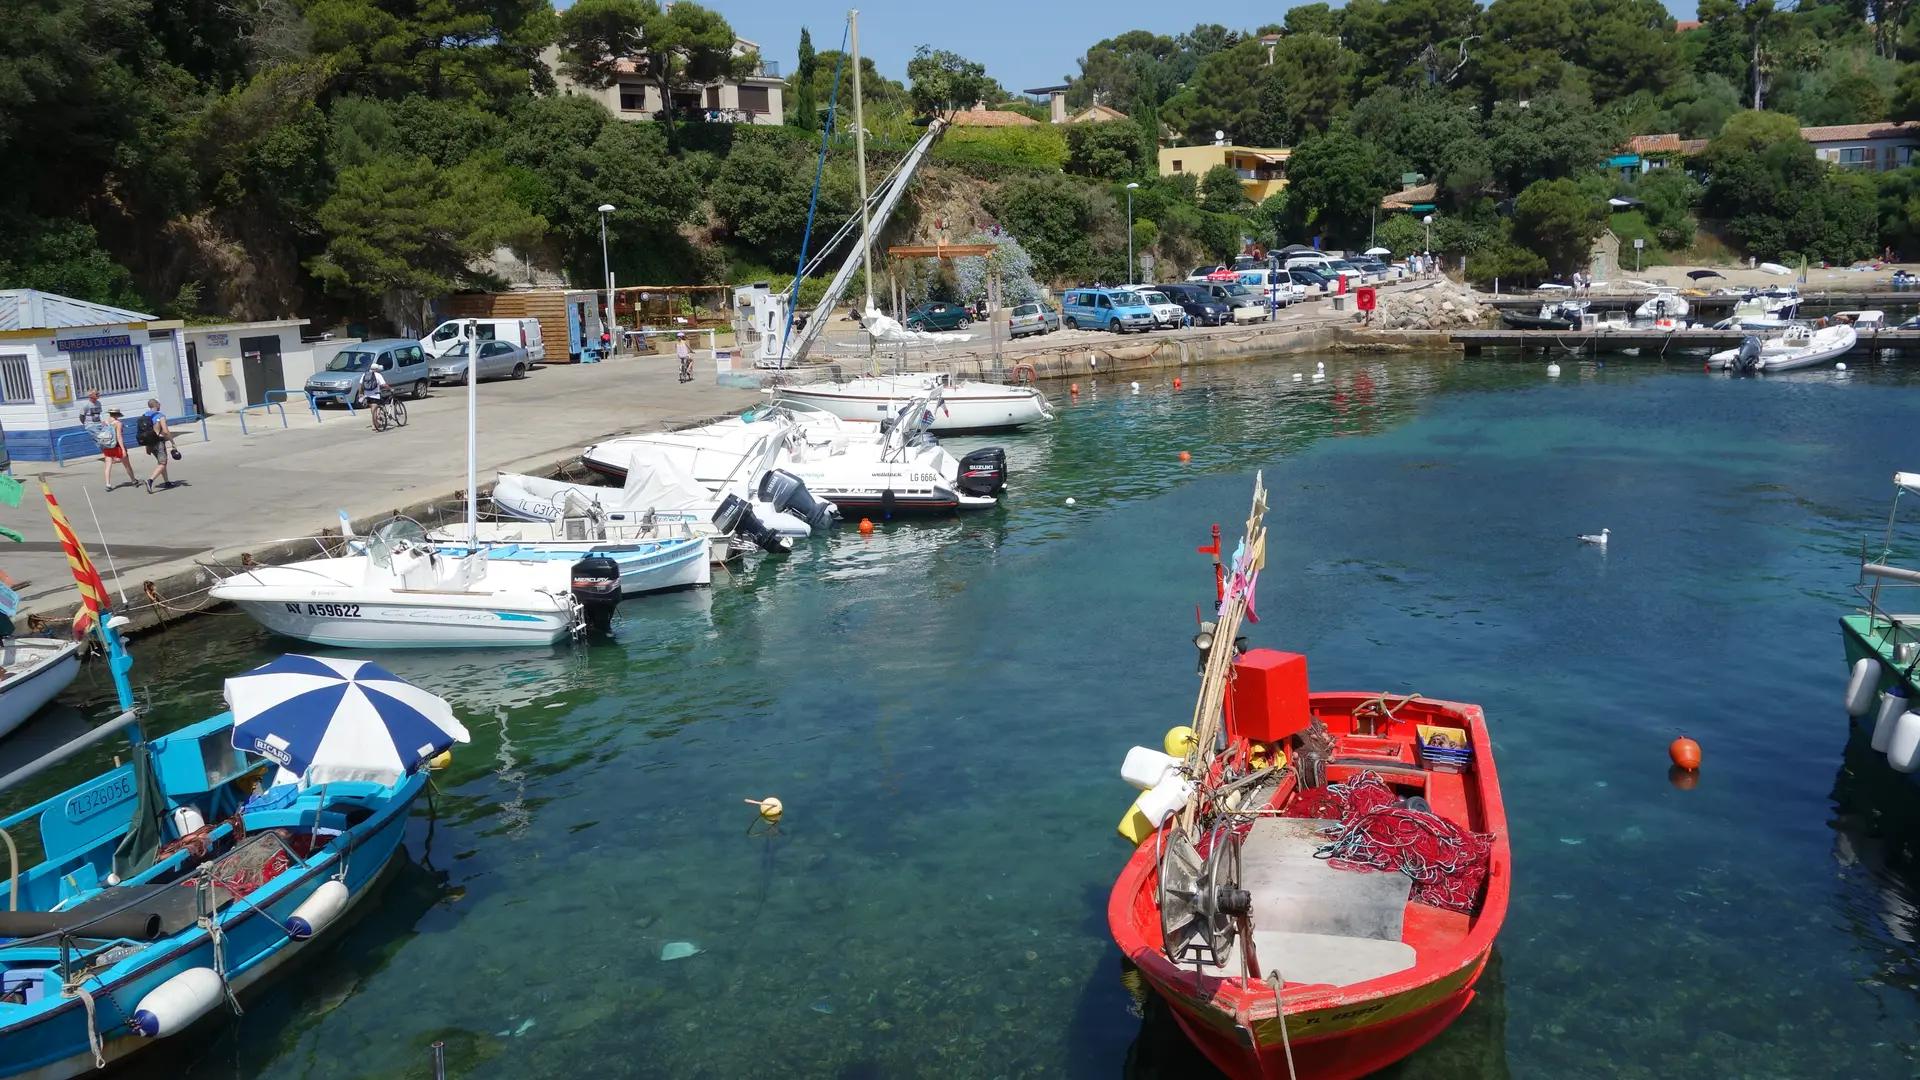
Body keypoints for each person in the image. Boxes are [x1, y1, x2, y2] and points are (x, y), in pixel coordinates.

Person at [137, 399, 175, 492]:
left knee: (160, 462)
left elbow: (145, 431)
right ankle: (150, 481)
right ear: (156, 405)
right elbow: (165, 431)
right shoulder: (160, 416)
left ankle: (167, 482)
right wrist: (173, 442)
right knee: (163, 463)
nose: (160, 405)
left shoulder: (144, 416)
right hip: (159, 442)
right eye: (159, 404)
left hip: (150, 443)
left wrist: (147, 446)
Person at [99, 408, 137, 490]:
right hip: (117, 446)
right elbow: (119, 437)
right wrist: (123, 449)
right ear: (117, 415)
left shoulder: (103, 423)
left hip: (107, 446)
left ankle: (108, 484)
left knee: (108, 466)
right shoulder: (118, 423)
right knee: (127, 465)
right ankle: (133, 481)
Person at [356, 362, 392, 426]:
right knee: (374, 410)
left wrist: (360, 393)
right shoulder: (378, 375)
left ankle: (376, 423)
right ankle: (374, 425)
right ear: (377, 369)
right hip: (375, 395)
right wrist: (390, 389)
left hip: (367, 395)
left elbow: (360, 385)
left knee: (373, 409)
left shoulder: (365, 374)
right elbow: (384, 384)